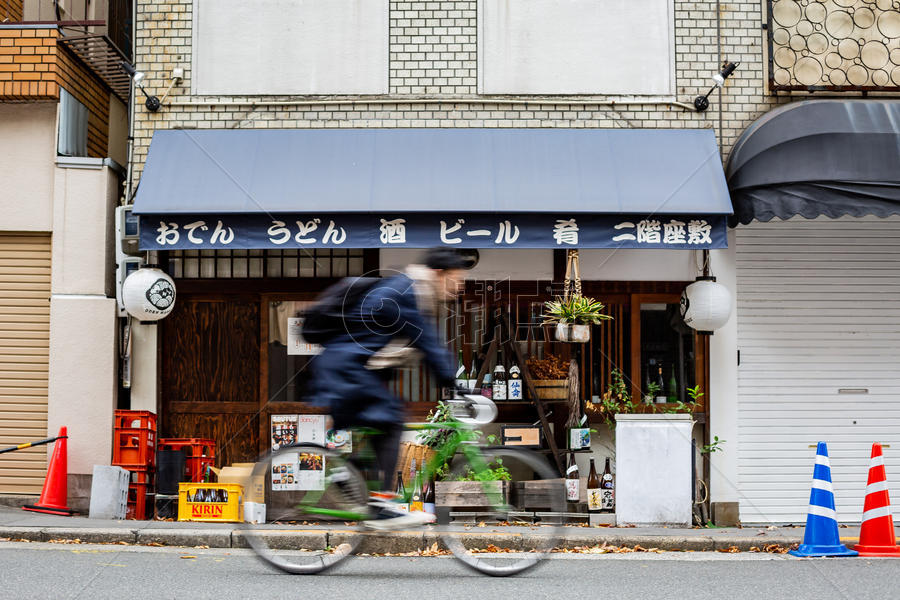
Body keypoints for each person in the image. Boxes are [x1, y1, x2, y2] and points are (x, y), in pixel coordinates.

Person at [312, 247, 470, 530]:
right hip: (348, 368)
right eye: (456, 279)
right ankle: (381, 503)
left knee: (385, 422)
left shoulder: (412, 291)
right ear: (438, 274)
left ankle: (349, 474)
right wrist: (455, 385)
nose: (459, 287)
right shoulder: (407, 292)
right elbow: (428, 343)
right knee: (392, 419)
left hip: (352, 368)